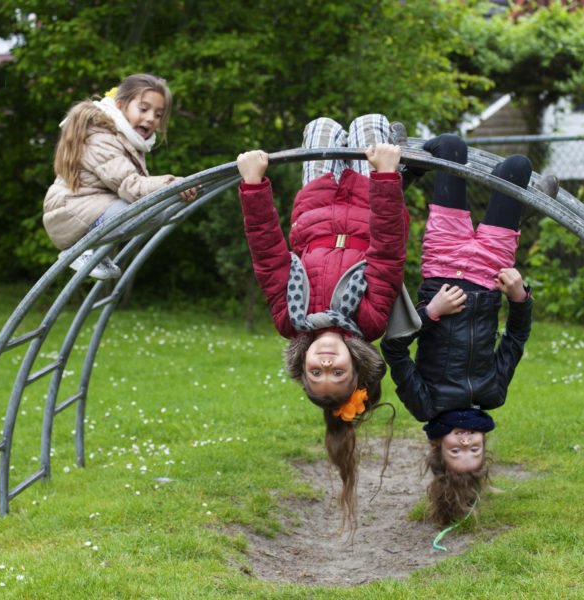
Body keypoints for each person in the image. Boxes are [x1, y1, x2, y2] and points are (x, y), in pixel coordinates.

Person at [236, 114, 409, 529]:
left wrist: (254, 186)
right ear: (355, 363)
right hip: (371, 197)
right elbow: (387, 252)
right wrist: (385, 178)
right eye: (337, 370)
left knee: (321, 128)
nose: (327, 360)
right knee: (370, 124)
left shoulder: (290, 318)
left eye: (317, 371)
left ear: (303, 365)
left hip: (315, 201)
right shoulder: (368, 320)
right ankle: (401, 164)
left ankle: (401, 157)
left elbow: (268, 253)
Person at [381, 133, 557, 527]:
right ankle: (522, 205)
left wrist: (432, 312)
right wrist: (519, 296)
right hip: (491, 269)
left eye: (455, 453)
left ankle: (404, 164)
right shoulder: (492, 394)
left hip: (443, 262)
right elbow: (515, 339)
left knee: (451, 147)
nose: (464, 444)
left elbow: (392, 348)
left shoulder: (425, 404)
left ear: (437, 448)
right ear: (483, 448)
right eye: (472, 453)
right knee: (516, 167)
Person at [43, 73, 197, 279]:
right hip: (70, 212)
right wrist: (171, 184)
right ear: (120, 106)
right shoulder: (101, 137)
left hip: (88, 208)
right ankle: (81, 247)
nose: (151, 118)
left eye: (158, 114)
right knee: (151, 212)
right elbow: (131, 186)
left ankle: (95, 250)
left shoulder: (127, 141)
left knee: (157, 209)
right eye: (144, 109)